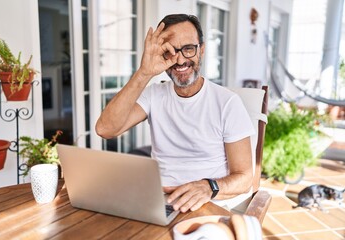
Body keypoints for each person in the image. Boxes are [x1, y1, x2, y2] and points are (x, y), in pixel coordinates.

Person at [95, 14, 255, 213]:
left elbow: (245, 177)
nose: (180, 60)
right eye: (170, 52)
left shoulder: (227, 103)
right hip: (159, 202)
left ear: (201, 50)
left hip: (209, 203)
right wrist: (144, 72)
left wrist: (209, 187)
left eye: (188, 49)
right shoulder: (154, 95)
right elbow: (105, 129)